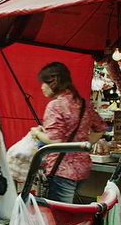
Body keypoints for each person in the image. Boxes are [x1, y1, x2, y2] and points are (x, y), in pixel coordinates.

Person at [30, 62, 107, 203]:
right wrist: (84, 143)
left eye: (43, 83)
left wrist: (37, 133)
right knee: (67, 211)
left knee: (60, 216)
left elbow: (55, 141)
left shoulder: (55, 106)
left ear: (53, 82)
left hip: (62, 170)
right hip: (82, 168)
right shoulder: (82, 103)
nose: (41, 87)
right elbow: (100, 128)